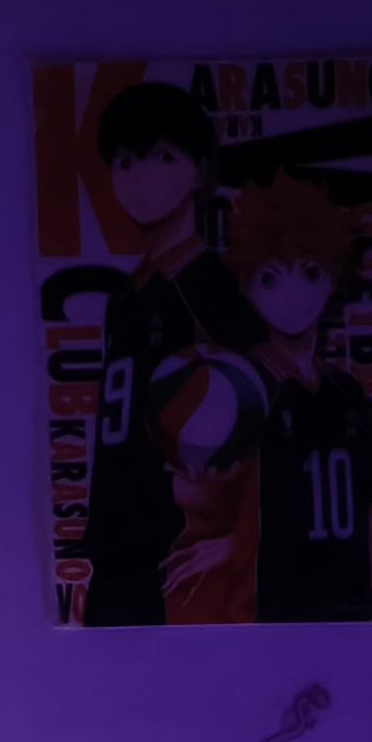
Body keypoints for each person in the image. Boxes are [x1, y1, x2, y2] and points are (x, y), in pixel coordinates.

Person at [76, 82, 265, 626]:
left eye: (162, 157)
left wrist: (241, 539)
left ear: (199, 172)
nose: (141, 177)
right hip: (115, 553)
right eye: (126, 162)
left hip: (179, 557)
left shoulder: (216, 289)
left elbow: (269, 424)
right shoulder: (126, 296)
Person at [226, 171, 372, 621]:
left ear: (334, 277)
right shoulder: (240, 388)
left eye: (309, 273)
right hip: (274, 610)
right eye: (270, 277)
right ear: (247, 285)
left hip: (352, 605)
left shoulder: (347, 393)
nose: (292, 295)